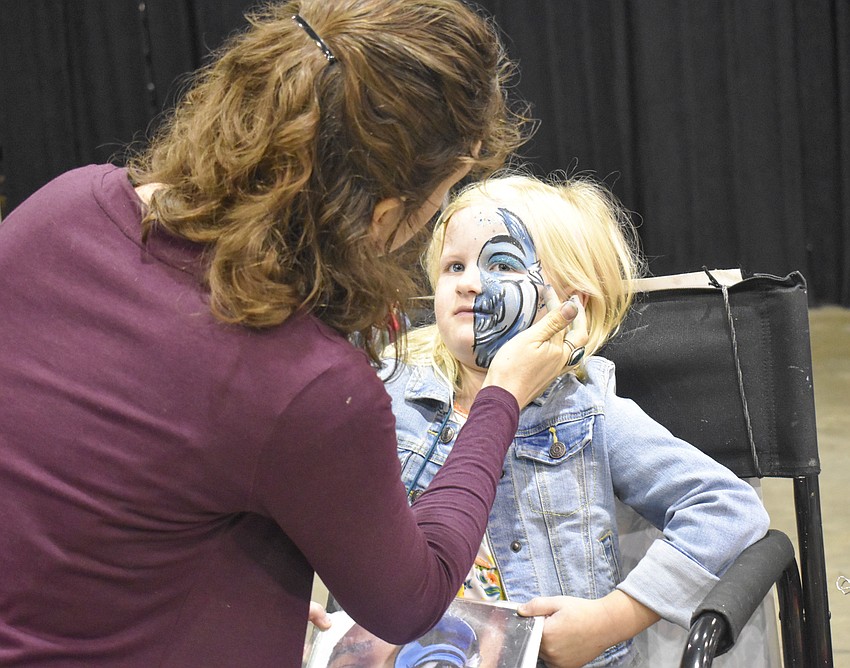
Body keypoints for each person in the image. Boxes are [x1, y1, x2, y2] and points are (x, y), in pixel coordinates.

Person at [0, 3, 582, 666]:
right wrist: (498, 396)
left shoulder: (61, 207)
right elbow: (409, 601)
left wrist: (239, 584)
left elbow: (97, 494)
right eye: (439, 198)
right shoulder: (305, 382)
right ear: (383, 216)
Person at [381, 173, 771, 667]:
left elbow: (728, 508)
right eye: (453, 265)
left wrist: (613, 619)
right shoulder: (389, 402)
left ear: (569, 305)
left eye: (501, 263)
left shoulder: (585, 414)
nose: (469, 282)